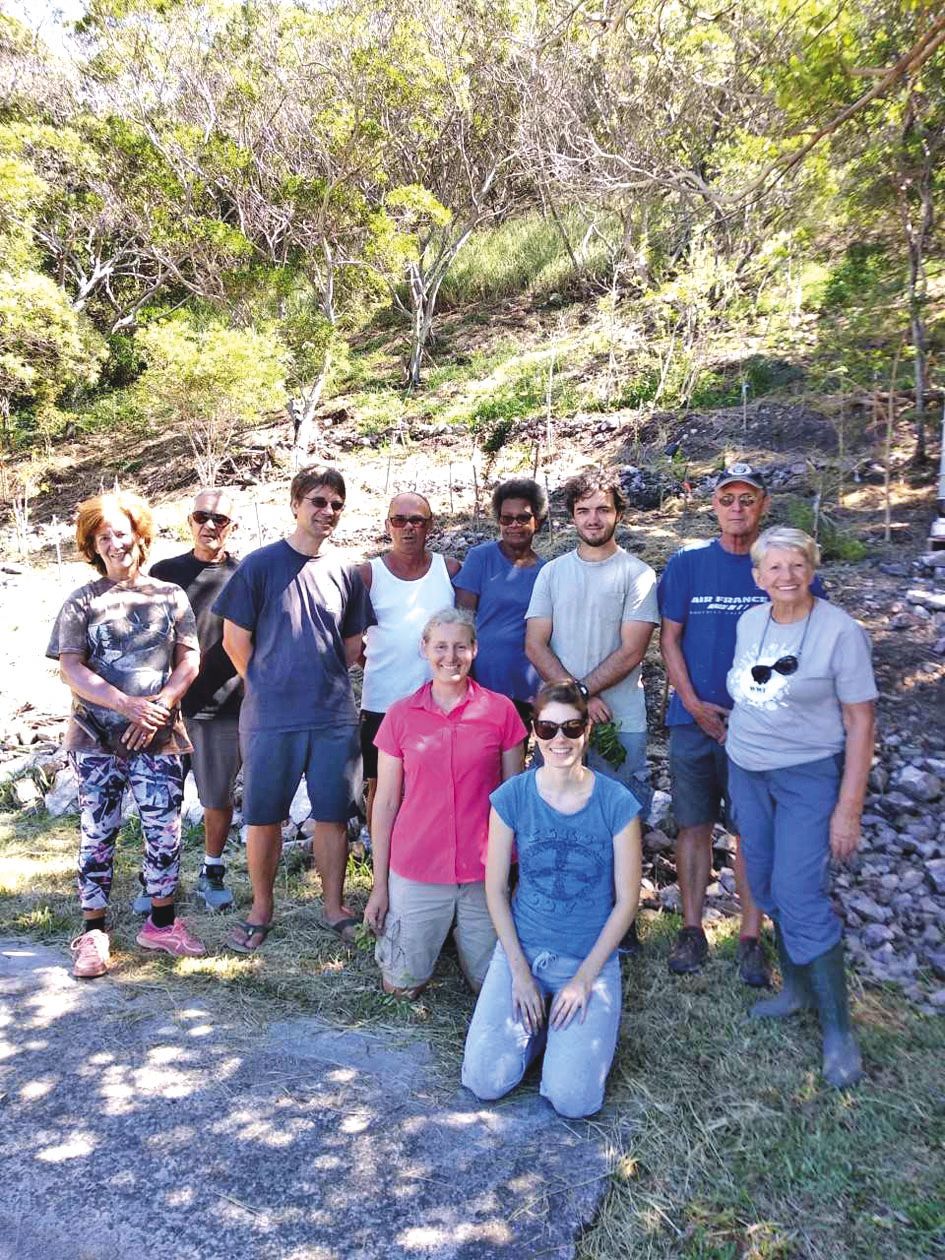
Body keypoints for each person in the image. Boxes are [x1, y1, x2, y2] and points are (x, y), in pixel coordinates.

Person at [658, 463, 827, 985]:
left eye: (747, 499)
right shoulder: (686, 565)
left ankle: (751, 936)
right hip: (693, 720)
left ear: (763, 505)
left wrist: (757, 712)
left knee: (753, 830)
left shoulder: (782, 568)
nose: (736, 508)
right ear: (714, 505)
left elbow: (804, 649)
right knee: (693, 824)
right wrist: (695, 704)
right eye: (727, 498)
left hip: (761, 728)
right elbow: (668, 640)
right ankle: (691, 929)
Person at [725, 526, 876, 1088]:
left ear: (812, 569)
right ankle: (794, 990)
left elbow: (861, 722)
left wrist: (848, 807)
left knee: (798, 891)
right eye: (774, 567)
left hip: (808, 775)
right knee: (761, 881)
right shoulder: (750, 621)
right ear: (758, 575)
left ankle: (839, 1030)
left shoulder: (840, 633)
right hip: (747, 769)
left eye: (797, 565)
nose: (786, 577)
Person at [462, 680, 643, 1118]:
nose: (559, 740)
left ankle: (559, 1033)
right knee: (485, 1082)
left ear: (587, 732)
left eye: (571, 728)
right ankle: (540, 1026)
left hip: (587, 962)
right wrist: (520, 974)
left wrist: (583, 979)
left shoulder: (616, 803)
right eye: (547, 729)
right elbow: (496, 887)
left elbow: (626, 902)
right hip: (522, 955)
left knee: (573, 1101)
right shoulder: (513, 797)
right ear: (534, 730)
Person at [214, 465, 375, 951]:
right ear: (296, 504)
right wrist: (267, 683)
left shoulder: (345, 572)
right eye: (318, 502)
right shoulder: (259, 566)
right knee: (264, 816)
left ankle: (333, 906)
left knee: (332, 815)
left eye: (335, 505)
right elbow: (233, 640)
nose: (326, 512)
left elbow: (351, 647)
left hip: (332, 717)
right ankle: (261, 908)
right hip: (270, 719)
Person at [47, 491, 206, 978]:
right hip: (96, 740)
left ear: (139, 534)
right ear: (92, 546)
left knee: (165, 831)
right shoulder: (82, 602)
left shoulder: (170, 596)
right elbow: (70, 668)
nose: (114, 543)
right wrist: (124, 705)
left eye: (121, 532)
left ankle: (160, 924)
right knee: (98, 833)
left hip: (158, 737)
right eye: (103, 537)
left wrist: (160, 704)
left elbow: (189, 658)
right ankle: (93, 933)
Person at [525, 467, 657, 952]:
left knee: (617, 820)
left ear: (618, 513)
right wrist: (577, 698)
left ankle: (622, 924)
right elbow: (534, 643)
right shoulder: (553, 573)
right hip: (560, 725)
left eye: (603, 508)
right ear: (572, 517)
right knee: (559, 815)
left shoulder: (638, 575)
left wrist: (579, 692)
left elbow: (632, 651)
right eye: (584, 510)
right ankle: (558, 912)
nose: (594, 518)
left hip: (620, 723)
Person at [363, 608, 526, 998]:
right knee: (401, 988)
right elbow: (384, 804)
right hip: (418, 866)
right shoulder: (401, 715)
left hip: (482, 871)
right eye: (440, 646)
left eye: (459, 647)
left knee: (492, 991)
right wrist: (380, 886)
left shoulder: (501, 711)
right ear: (424, 649)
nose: (449, 657)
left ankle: (465, 936)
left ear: (474, 650)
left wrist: (516, 879)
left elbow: (515, 799)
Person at [138, 488, 243, 913]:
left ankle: (212, 871)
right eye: (202, 516)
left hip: (223, 706)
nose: (210, 526)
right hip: (167, 709)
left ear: (232, 527)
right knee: (163, 800)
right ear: (189, 522)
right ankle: (157, 876)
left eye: (220, 519)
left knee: (216, 798)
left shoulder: (245, 575)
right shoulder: (164, 572)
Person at [357, 492, 459, 835]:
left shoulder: (450, 570)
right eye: (399, 520)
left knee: (435, 782)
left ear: (430, 526)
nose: (408, 528)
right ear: (388, 526)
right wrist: (373, 662)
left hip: (438, 703)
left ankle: (426, 854)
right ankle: (381, 865)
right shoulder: (368, 575)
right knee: (380, 786)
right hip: (382, 701)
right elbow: (349, 640)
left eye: (417, 520)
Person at [454, 477, 547, 727]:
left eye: (523, 518)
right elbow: (462, 623)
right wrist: (463, 679)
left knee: (514, 762)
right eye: (506, 518)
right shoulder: (480, 558)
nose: (514, 525)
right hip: (481, 685)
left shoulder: (547, 572)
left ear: (537, 521)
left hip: (526, 688)